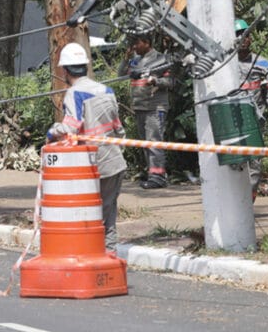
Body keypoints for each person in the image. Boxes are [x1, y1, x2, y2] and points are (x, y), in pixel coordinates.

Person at [48, 42, 127, 253]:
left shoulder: (75, 93)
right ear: (85, 66)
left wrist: (52, 131)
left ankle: (95, 262)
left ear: (65, 70)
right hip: (115, 162)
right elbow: (118, 128)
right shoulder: (106, 90)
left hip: (93, 165)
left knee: (91, 217)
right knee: (108, 216)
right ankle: (110, 260)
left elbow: (69, 128)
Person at [120, 34, 175, 189]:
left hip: (155, 107)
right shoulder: (135, 60)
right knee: (146, 143)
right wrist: (126, 59)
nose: (134, 47)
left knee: (154, 142)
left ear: (147, 42)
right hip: (139, 107)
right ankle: (152, 172)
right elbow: (121, 74)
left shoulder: (161, 59)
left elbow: (170, 82)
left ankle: (158, 177)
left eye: (136, 43)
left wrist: (155, 80)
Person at [234, 19, 268, 199]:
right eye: (238, 35)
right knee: (233, 161)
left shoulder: (262, 63)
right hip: (232, 122)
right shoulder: (224, 64)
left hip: (254, 121)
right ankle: (234, 200)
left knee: (254, 162)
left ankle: (249, 199)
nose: (243, 38)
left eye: (246, 34)